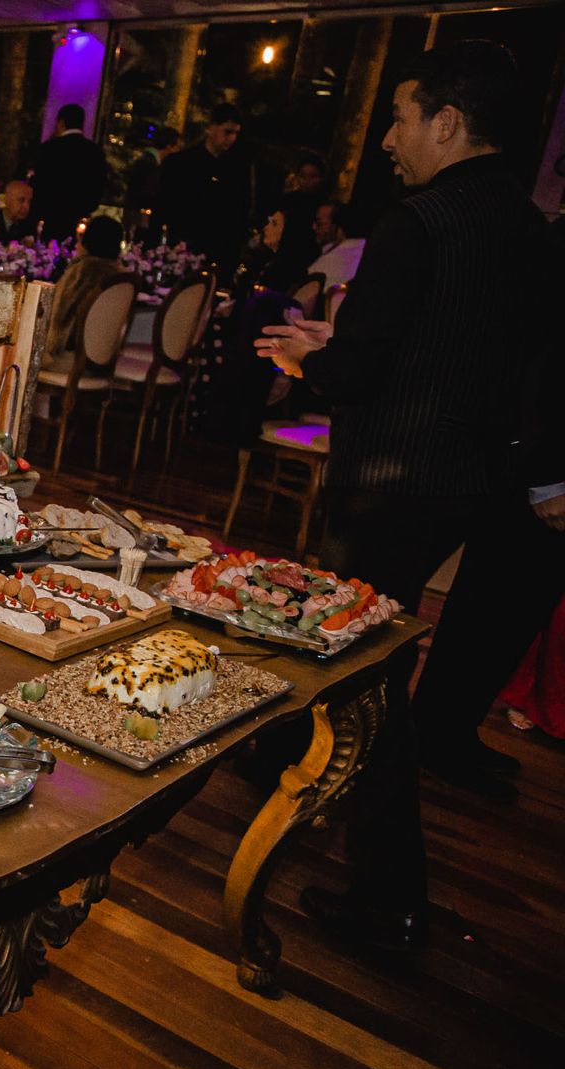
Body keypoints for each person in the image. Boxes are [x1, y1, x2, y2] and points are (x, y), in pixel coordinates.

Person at [255, 41, 559, 953]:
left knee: (363, 678)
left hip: (393, 481)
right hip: (478, 482)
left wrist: (311, 353)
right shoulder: (531, 224)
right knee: (343, 646)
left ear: (448, 123)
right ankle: (279, 759)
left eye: (398, 116)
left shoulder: (415, 222)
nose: (389, 137)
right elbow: (484, 357)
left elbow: (358, 373)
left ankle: (392, 899)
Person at [153, 102, 252, 274]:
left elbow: (241, 212)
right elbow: (163, 206)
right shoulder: (181, 164)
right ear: (210, 129)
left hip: (217, 251)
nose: (232, 138)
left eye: (235, 133)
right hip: (181, 247)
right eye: (227, 132)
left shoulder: (237, 170)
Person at [45, 216, 127, 356]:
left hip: (70, 358)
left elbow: (59, 320)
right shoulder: (121, 277)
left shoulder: (82, 273)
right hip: (104, 358)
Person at [27, 103, 107, 238]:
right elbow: (99, 183)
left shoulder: (49, 148)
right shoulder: (94, 152)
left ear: (61, 123)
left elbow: (39, 182)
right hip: (79, 216)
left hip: (49, 214)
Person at [264, 152, 329, 285]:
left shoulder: (324, 205)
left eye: (313, 176)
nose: (307, 181)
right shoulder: (290, 200)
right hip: (284, 254)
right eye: (303, 176)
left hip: (308, 257)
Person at [306, 200, 365, 290]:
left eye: (320, 224)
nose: (314, 227)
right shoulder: (362, 246)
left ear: (337, 226)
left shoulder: (358, 248)